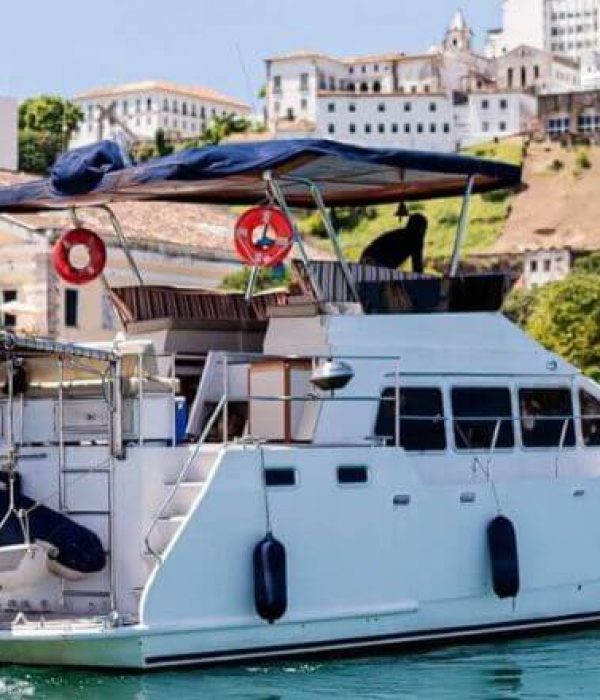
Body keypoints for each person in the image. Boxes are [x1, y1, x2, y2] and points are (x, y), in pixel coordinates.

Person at [360, 207, 428, 272]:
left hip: (368, 259)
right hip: (374, 261)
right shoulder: (415, 239)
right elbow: (417, 265)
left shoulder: (400, 234)